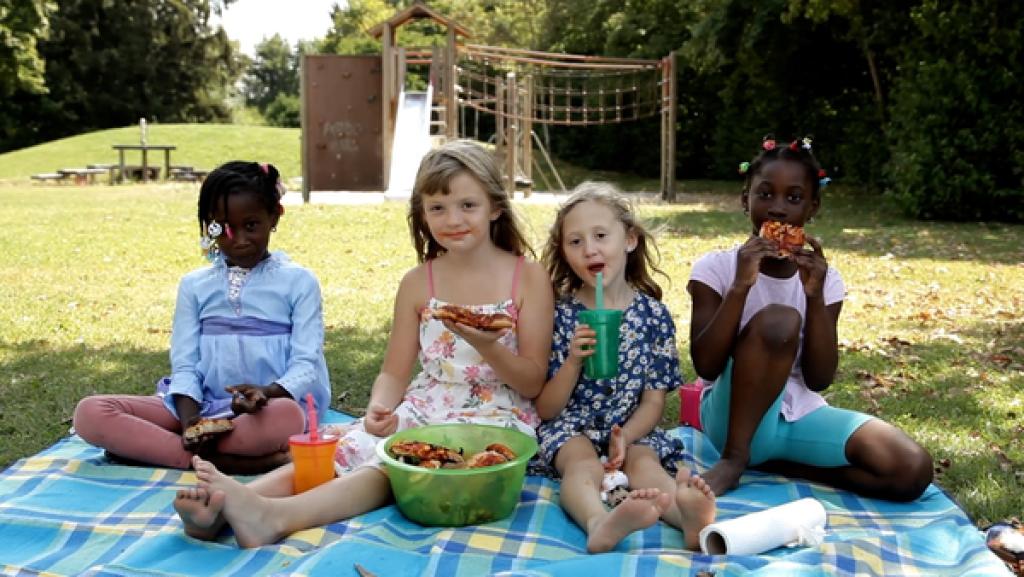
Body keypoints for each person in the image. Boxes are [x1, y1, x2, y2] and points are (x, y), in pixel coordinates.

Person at [172, 139, 554, 547]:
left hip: (495, 417)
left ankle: (275, 517)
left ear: (495, 207)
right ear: (422, 214)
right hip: (428, 403)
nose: (452, 219)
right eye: (437, 208)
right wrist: (380, 405)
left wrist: (490, 346)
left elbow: (532, 382)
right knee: (349, 446)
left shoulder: (526, 277)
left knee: (398, 464)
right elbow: (394, 370)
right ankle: (225, 502)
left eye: (467, 205)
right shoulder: (418, 282)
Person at [688, 135, 933, 500]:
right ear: (745, 200)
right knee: (780, 321)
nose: (778, 209)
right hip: (730, 417)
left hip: (796, 413)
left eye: (794, 198)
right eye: (765, 194)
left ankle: (781, 465)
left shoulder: (825, 280)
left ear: (812, 207)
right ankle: (736, 460)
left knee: (911, 469)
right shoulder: (716, 268)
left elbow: (819, 379)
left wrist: (815, 297)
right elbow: (706, 366)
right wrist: (740, 285)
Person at [73, 161, 331, 475]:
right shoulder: (194, 286)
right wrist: (190, 423)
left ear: (275, 216)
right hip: (200, 407)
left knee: (289, 417)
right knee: (91, 412)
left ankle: (162, 450)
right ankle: (225, 460)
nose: (238, 240)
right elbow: (185, 364)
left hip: (266, 409)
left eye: (251, 225)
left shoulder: (299, 282)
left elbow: (305, 365)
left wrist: (266, 392)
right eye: (224, 228)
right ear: (210, 226)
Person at [534, 182, 715, 553]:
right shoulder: (559, 313)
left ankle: (691, 521)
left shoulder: (653, 316)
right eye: (575, 242)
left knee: (645, 465)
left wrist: (626, 437)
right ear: (565, 253)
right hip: (572, 427)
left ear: (629, 239)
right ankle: (598, 521)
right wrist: (573, 361)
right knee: (581, 466)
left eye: (601, 235)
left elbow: (653, 402)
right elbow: (546, 409)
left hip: (631, 425)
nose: (590, 249)